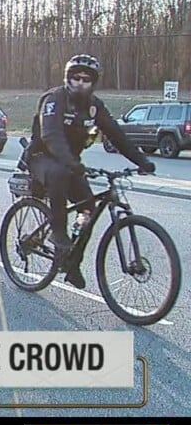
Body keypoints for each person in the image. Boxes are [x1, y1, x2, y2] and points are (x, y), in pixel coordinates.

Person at [24, 54, 155, 289]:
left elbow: (117, 135)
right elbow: (51, 135)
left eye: (86, 79)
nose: (81, 83)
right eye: (76, 78)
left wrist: (143, 161)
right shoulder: (54, 99)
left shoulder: (95, 106)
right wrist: (71, 162)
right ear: (68, 79)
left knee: (88, 209)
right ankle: (57, 234)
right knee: (59, 173)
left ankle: (73, 263)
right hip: (41, 157)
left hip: (70, 162)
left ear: (93, 82)